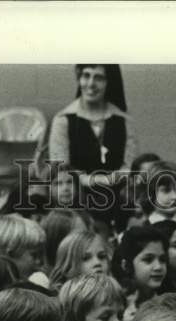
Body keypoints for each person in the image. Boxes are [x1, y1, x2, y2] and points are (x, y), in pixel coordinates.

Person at [47, 65, 136, 221]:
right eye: (86, 76)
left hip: (115, 195)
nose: (91, 83)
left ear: (109, 82)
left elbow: (129, 166)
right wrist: (93, 181)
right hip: (75, 198)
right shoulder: (63, 120)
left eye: (99, 78)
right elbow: (60, 168)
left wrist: (111, 180)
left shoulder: (124, 121)